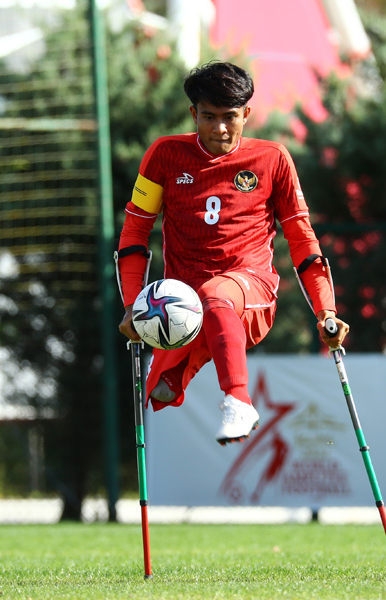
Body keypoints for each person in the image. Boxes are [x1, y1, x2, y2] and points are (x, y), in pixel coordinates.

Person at [116, 61, 349, 445]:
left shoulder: (273, 160)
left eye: (230, 117)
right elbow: (135, 230)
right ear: (193, 113)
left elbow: (303, 239)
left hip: (250, 291)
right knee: (159, 390)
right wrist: (131, 305)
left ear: (247, 114)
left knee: (216, 296)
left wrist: (327, 311)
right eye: (208, 117)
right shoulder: (163, 156)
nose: (220, 129)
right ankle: (179, 370)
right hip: (185, 297)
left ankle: (239, 400)